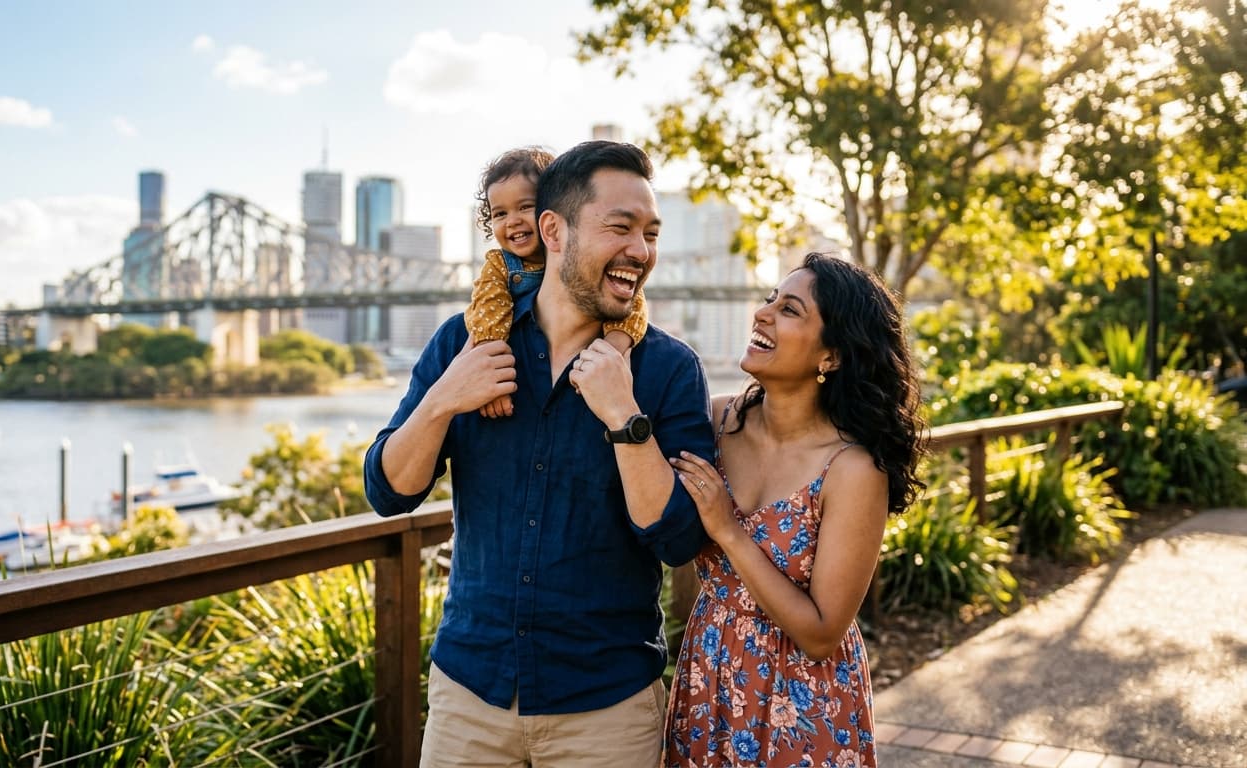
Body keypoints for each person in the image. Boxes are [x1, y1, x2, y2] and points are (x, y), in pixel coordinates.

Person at [363, 140, 713, 766]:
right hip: (469, 698)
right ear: (554, 230)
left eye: (651, 234)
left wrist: (624, 418)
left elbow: (679, 538)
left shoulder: (666, 368)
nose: (641, 250)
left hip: (608, 712)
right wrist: (443, 400)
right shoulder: (461, 343)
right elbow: (389, 491)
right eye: (621, 227)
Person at [664, 252, 927, 767]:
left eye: (789, 310)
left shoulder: (852, 469)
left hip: (804, 702)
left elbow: (822, 632)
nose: (762, 314)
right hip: (708, 672)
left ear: (831, 356)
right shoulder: (713, 420)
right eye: (768, 301)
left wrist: (728, 529)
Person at [466, 146, 649, 418]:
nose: (513, 222)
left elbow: (633, 304)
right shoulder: (500, 265)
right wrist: (490, 372)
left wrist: (613, 350)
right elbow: (487, 309)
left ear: (552, 216)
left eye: (525, 207)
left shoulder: (603, 273)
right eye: (500, 214)